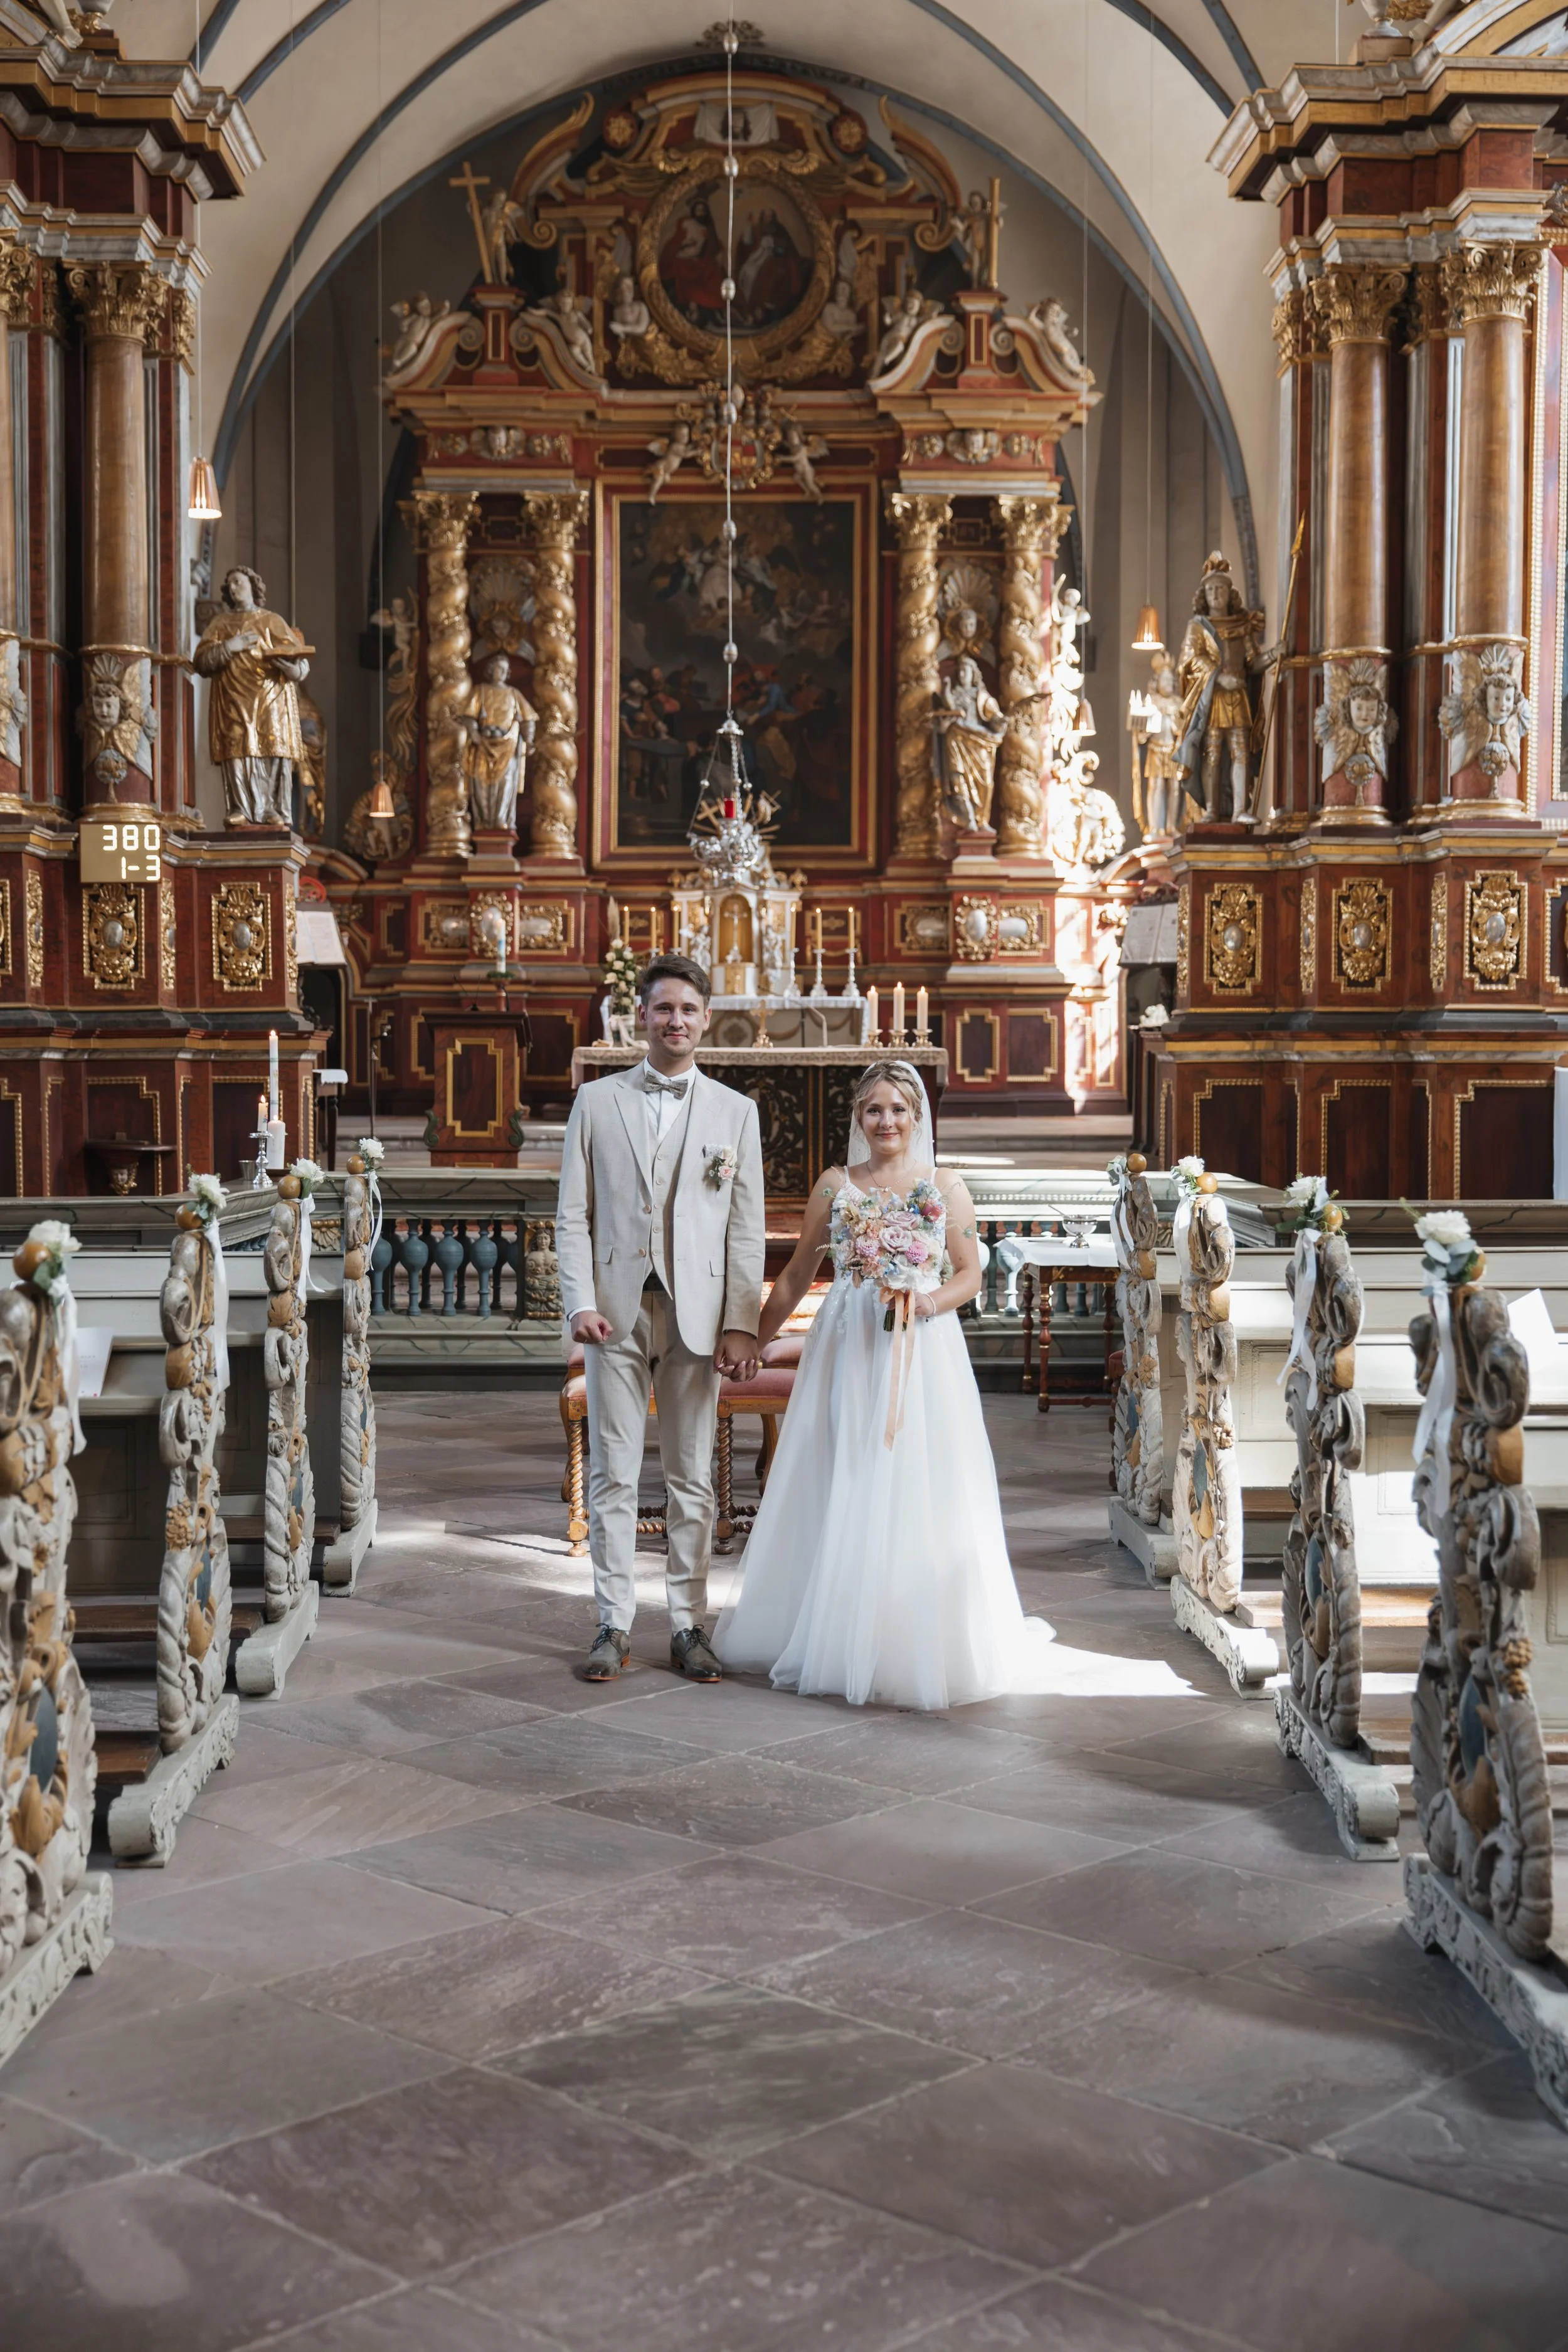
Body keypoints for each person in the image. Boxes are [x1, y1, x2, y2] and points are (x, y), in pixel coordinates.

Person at [715, 1061, 1189, 1709]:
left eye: (898, 1110)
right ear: (858, 1117)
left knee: (914, 1474)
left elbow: (967, 1271)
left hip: (920, 1339)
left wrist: (924, 1305)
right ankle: (828, 1621)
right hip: (847, 1339)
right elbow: (798, 1274)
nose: (886, 1121)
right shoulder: (835, 1185)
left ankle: (906, 1633)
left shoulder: (944, 1187)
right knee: (842, 1467)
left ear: (917, 1118)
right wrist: (756, 1337)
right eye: (874, 1110)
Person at [556, 955, 765, 1684]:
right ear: (640, 1017)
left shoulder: (736, 1114)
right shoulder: (595, 1101)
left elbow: (744, 1228)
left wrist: (742, 1322)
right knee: (613, 1473)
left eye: (687, 1010)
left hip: (698, 1314)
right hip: (612, 1313)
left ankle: (687, 1624)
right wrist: (580, 1301)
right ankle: (612, 1623)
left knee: (692, 1478)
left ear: (705, 1020)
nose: (675, 1020)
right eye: (662, 1008)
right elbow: (572, 1216)